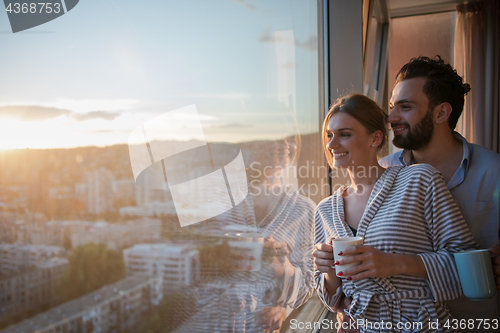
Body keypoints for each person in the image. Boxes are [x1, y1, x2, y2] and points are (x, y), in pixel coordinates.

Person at [313, 93, 478, 332]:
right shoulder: (325, 210)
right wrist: (328, 272)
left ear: (375, 138)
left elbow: (467, 265)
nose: (331, 144)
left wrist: (395, 264)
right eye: (329, 135)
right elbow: (332, 301)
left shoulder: (419, 180)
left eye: (344, 134)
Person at [379, 55, 500, 328]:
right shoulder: (382, 174)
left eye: (405, 106)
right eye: (392, 107)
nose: (391, 117)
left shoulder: (495, 172)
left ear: (441, 113)